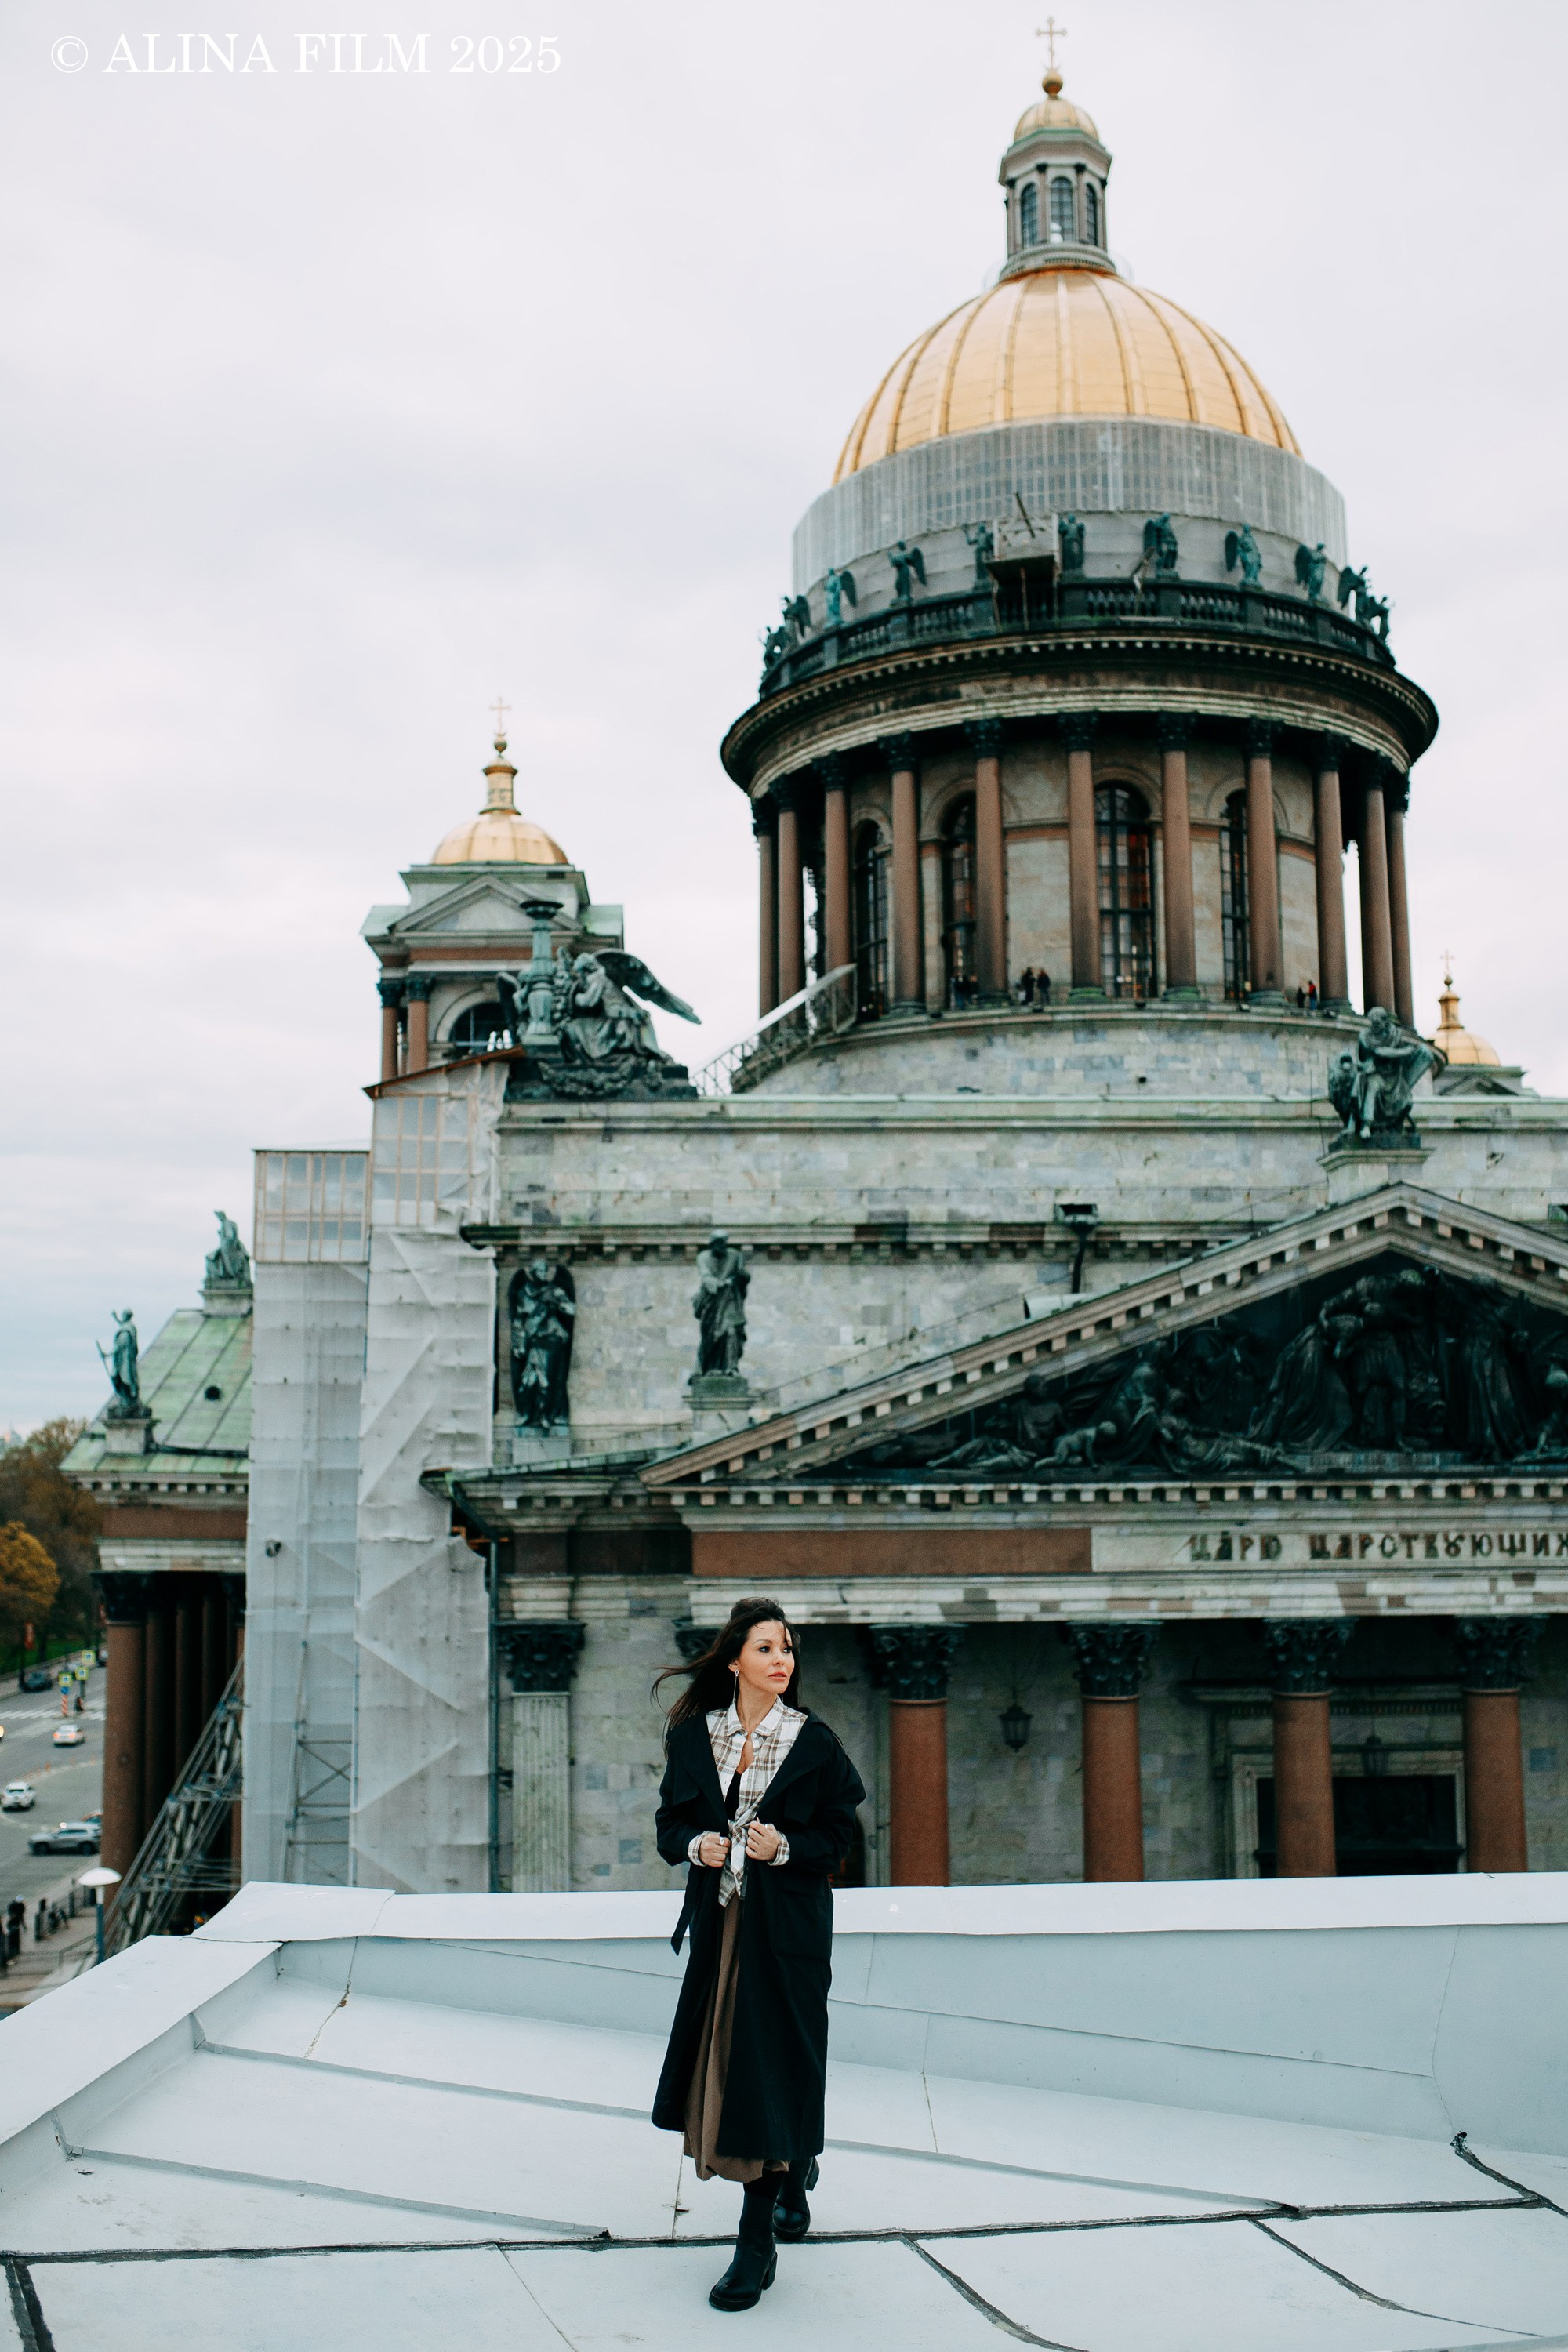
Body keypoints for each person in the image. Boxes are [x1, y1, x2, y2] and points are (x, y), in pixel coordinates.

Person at [652, 1599, 866, 2312]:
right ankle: (794, 2160)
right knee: (737, 2066)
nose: (783, 1660)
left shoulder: (815, 1744)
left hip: (790, 1930)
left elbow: (840, 1838)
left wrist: (788, 1848)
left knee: (779, 2061)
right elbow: (669, 1822)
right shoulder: (692, 1739)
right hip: (720, 1929)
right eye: (768, 1648)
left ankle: (755, 2242)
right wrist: (696, 1845)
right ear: (735, 1658)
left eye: (789, 1650)